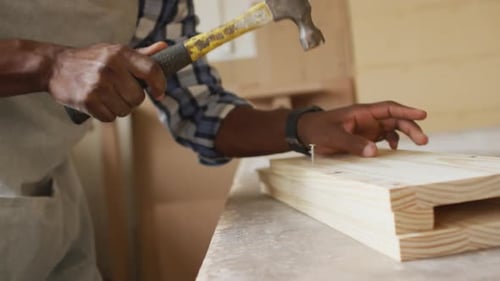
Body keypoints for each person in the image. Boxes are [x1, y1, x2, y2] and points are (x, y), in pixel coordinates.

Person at [0, 0, 428, 280]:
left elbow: (199, 112)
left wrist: (305, 126)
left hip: (46, 201)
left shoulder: (157, 3)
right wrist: (47, 64)